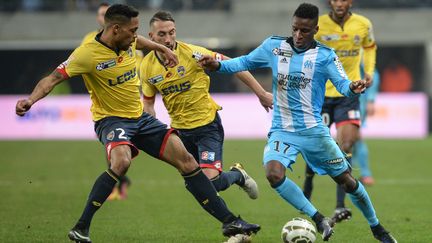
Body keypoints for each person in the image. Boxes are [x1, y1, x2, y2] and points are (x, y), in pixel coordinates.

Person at [15, 4, 260, 243]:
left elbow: (143, 42)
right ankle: (81, 228)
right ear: (115, 30)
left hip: (141, 119)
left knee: (187, 162)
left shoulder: (131, 41)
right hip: (111, 120)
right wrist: (30, 99)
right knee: (121, 161)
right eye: (132, 31)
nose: (136, 36)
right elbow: (52, 79)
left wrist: (160, 49)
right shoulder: (86, 54)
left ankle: (230, 221)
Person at [199, 3, 396, 242]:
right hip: (282, 130)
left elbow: (344, 86)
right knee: (273, 174)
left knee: (347, 180)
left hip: (314, 131)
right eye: (295, 29)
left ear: (315, 29)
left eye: (304, 30)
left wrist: (354, 88)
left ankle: (377, 228)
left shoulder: (325, 56)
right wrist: (218, 65)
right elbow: (244, 62)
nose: (298, 35)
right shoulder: (274, 46)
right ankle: (318, 217)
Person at [140, 11, 273, 201]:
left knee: (210, 183)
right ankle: (231, 216)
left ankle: (238, 176)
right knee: (196, 185)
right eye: (162, 34)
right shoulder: (146, 66)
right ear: (151, 37)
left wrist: (261, 93)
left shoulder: (193, 53)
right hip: (179, 132)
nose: (168, 39)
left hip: (207, 126)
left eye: (172, 32)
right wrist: (149, 128)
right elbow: (148, 102)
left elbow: (231, 63)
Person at [302, 0, 377, 224]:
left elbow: (370, 46)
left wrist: (369, 71)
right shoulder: (319, 24)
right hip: (320, 97)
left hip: (348, 94)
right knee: (316, 148)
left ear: (350, 2)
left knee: (345, 145)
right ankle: (306, 192)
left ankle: (339, 206)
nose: (339, 3)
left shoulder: (363, 24)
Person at [81, 2, 132, 201]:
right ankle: (120, 183)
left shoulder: (127, 39)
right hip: (105, 103)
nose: (104, 18)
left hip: (128, 98)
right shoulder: (88, 41)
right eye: (101, 14)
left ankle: (120, 180)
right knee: (114, 147)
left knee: (121, 148)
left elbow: (136, 62)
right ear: (98, 18)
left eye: (107, 14)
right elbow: (83, 64)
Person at [353, 65, 381, 186]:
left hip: (357, 106)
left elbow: (373, 75)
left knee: (356, 138)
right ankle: (351, 170)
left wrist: (370, 100)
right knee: (351, 140)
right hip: (352, 104)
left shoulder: (360, 54)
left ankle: (366, 174)